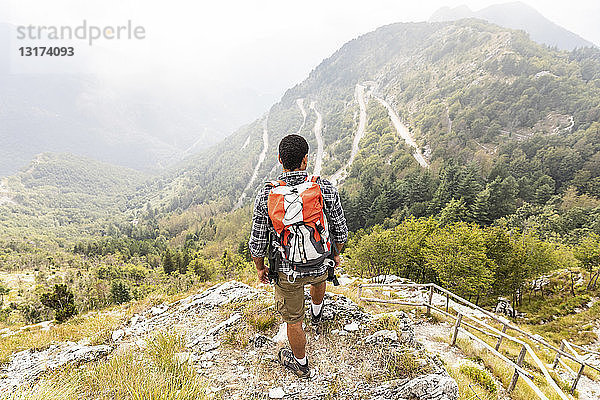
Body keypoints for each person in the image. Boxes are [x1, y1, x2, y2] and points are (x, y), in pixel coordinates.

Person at [249, 134, 348, 378]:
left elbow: (257, 243)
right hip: (320, 262)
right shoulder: (323, 188)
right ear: (306, 160)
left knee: (293, 320)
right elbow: (341, 232)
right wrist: (335, 255)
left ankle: (301, 364)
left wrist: (260, 268)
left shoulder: (267, 195)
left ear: (280, 160)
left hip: (287, 271)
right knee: (318, 277)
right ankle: (317, 313)